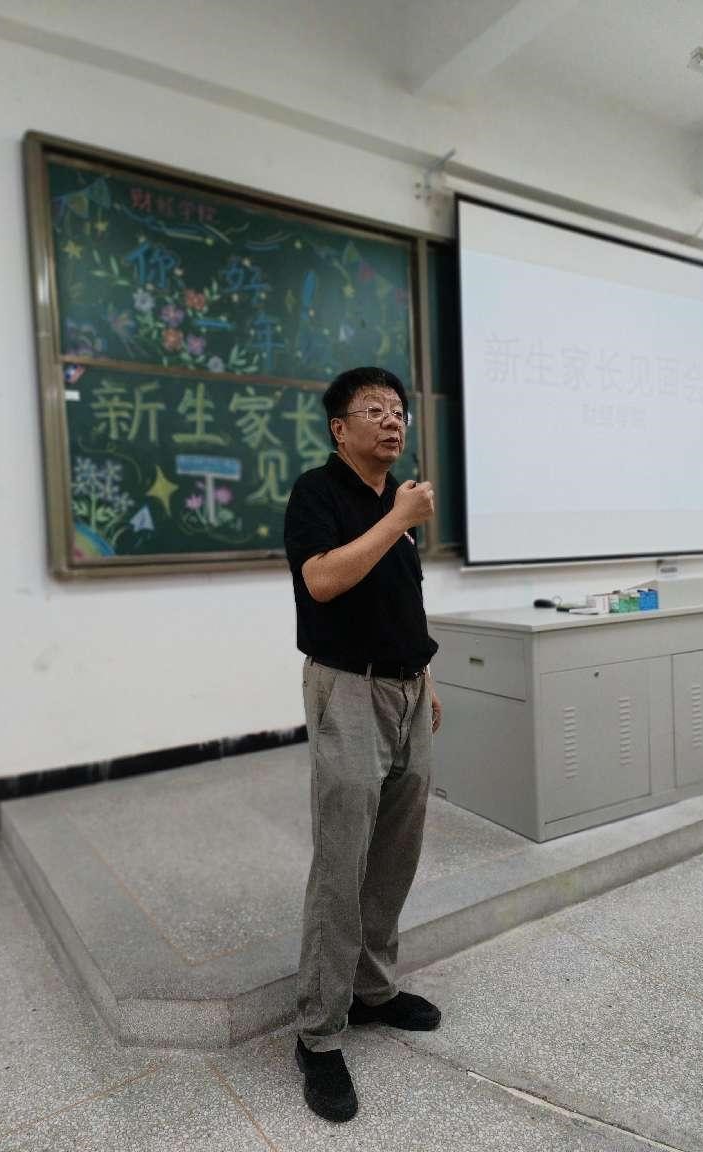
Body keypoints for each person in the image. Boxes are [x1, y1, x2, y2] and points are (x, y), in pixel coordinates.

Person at [283, 365, 444, 1123]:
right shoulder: (318, 494)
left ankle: (373, 991)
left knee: (396, 853)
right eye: (374, 409)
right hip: (347, 689)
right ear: (339, 428)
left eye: (399, 409)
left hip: (408, 690)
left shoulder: (394, 503)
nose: (393, 420)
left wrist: (425, 678)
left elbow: (404, 599)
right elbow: (321, 581)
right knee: (342, 860)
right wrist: (398, 519)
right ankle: (318, 1032)